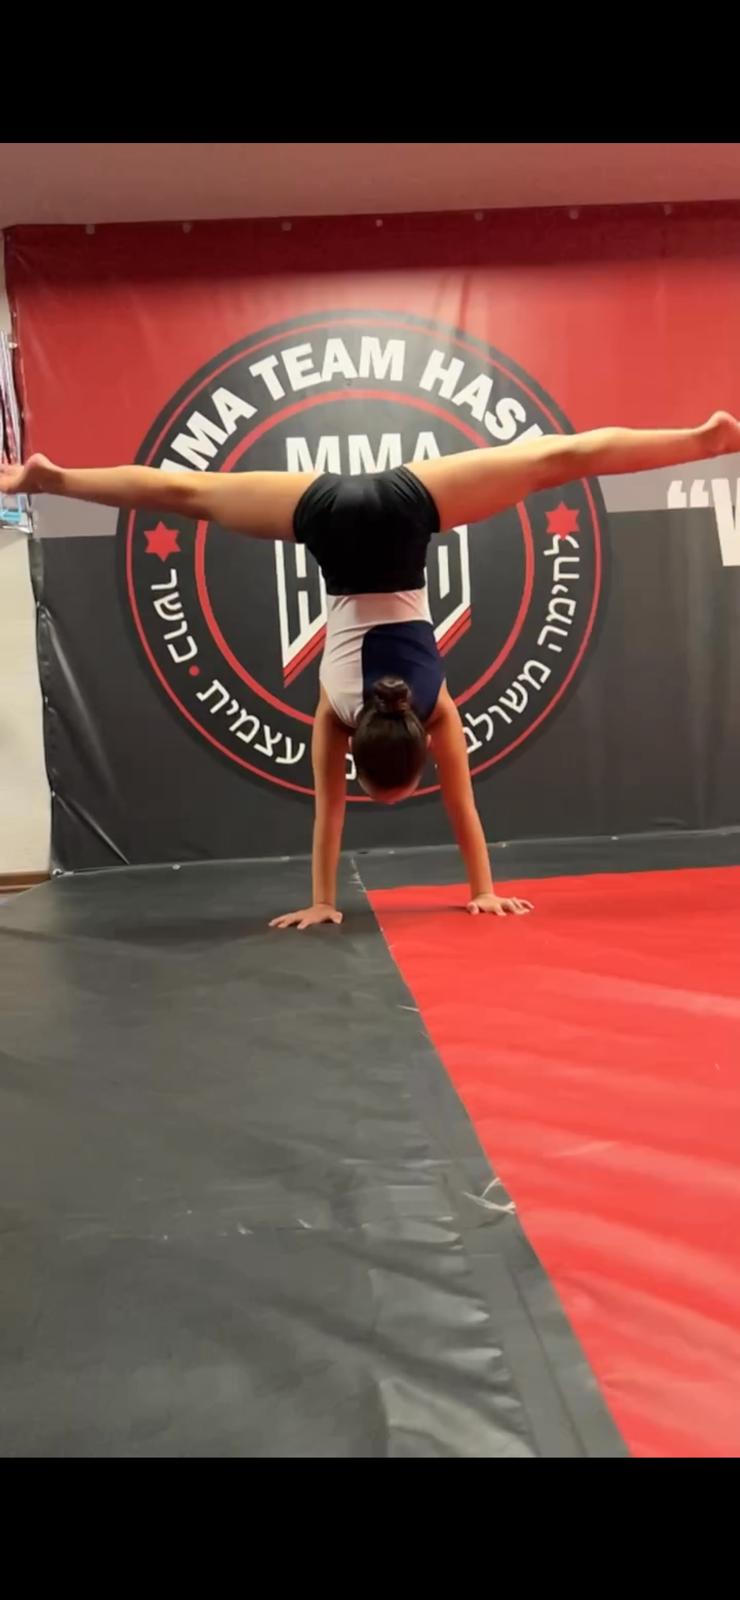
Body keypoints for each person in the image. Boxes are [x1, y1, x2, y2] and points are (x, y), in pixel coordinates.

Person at [4, 410, 739, 929]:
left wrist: (479, 888)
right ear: (362, 752)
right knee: (188, 495)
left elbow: (460, 806)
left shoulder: (432, 706)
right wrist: (329, 898)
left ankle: (702, 441)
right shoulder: (338, 710)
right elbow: (329, 812)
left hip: (404, 507)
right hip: (331, 514)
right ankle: (54, 479)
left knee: (551, 460)